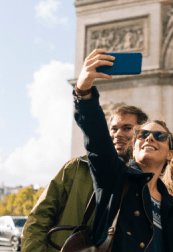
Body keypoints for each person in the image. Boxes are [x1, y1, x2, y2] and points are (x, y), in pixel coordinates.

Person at [72, 49, 173, 251]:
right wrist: (84, 92)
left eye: (159, 136)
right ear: (134, 148)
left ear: (170, 153)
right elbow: (97, 138)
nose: (149, 137)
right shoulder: (114, 177)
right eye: (142, 135)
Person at [21, 104, 148, 252]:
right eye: (114, 129)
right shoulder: (76, 167)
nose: (118, 134)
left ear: (142, 134)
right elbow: (38, 220)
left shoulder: (148, 182)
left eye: (127, 128)